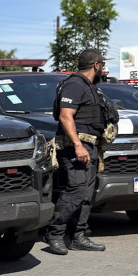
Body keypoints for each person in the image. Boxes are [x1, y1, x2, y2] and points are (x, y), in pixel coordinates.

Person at [45, 48, 110, 255]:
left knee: (86, 194)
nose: (104, 68)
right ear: (96, 65)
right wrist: (77, 145)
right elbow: (65, 116)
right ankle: (55, 234)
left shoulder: (88, 86)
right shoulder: (74, 84)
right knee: (76, 190)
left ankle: (78, 236)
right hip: (76, 147)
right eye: (103, 64)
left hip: (89, 145)